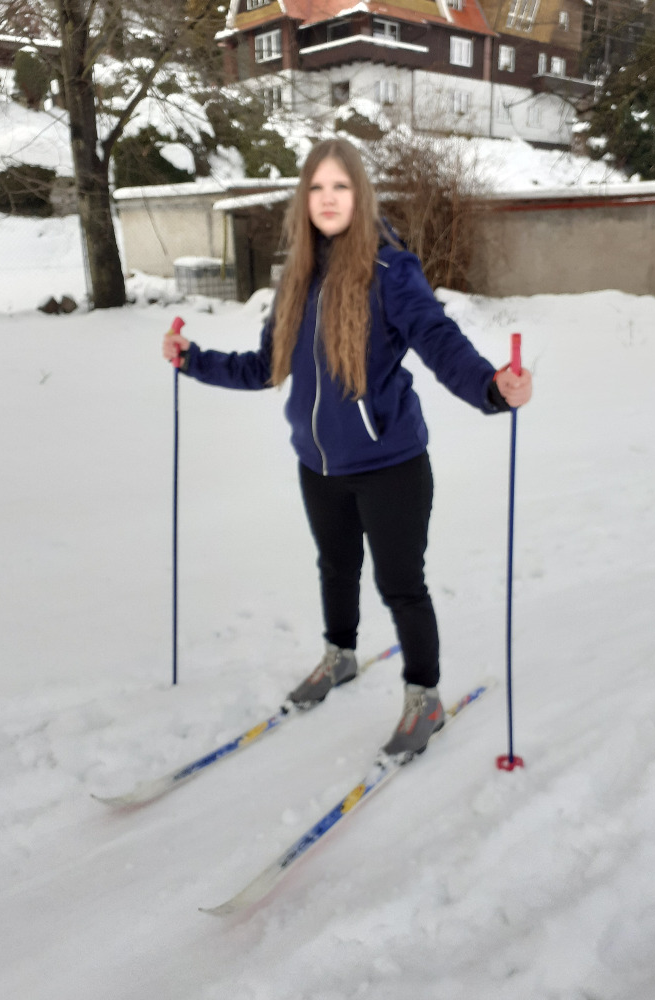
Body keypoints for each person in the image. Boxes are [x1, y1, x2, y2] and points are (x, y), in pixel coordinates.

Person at [162, 138, 532, 762]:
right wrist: (193, 361)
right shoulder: (297, 278)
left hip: (391, 465)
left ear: (360, 195)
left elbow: (438, 339)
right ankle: (340, 655)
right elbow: (266, 366)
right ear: (303, 199)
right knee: (336, 568)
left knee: (401, 585)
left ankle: (424, 697)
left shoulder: (391, 270)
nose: (328, 198)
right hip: (319, 465)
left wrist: (491, 387)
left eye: (340, 186)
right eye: (317, 187)